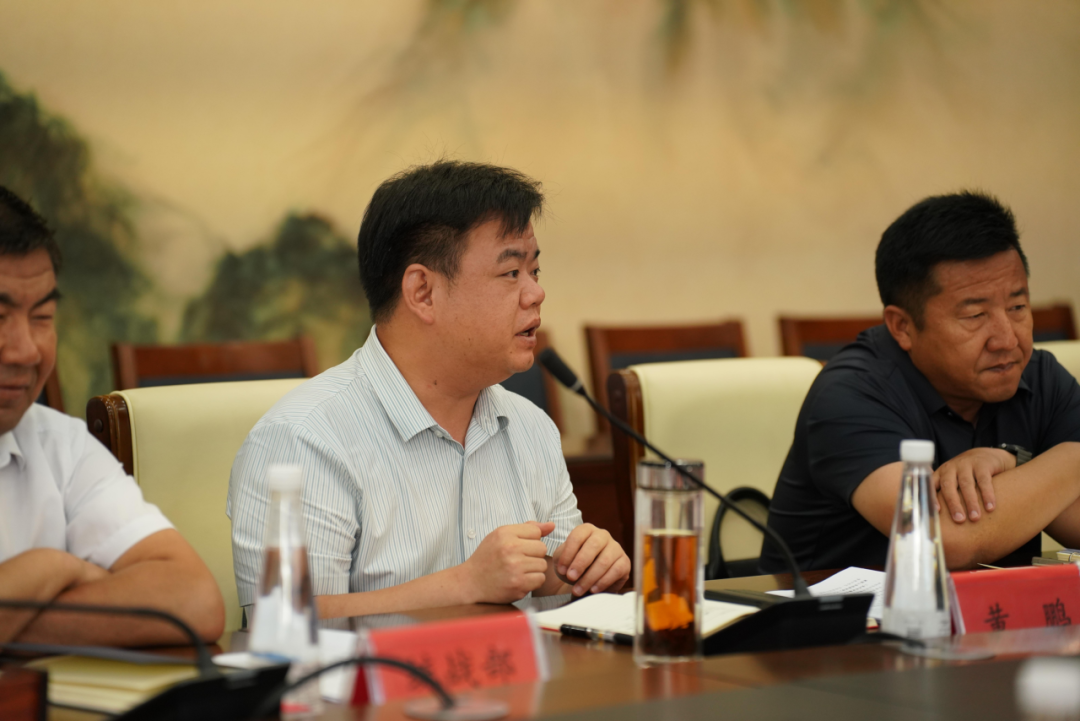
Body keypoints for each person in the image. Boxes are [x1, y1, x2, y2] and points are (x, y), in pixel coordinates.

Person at [228, 161, 630, 618]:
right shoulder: (303, 439)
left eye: (534, 271)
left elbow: (549, 589)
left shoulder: (531, 427)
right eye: (511, 273)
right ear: (422, 292)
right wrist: (465, 584)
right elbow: (282, 621)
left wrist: (583, 573)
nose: (535, 293)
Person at [762, 191, 1080, 572]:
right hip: (835, 610)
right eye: (975, 316)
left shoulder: (1038, 378)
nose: (1008, 339)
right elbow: (939, 539)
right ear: (902, 326)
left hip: (996, 609)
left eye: (1017, 307)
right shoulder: (850, 393)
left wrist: (1015, 463)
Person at [0, 187, 224, 645]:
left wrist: (31, 591)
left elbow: (193, 600)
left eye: (42, 317)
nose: (26, 351)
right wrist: (52, 570)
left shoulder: (61, 445)